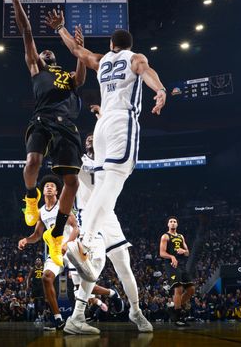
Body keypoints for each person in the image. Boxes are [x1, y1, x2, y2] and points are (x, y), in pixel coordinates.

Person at [45, 12, 166, 334]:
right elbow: (147, 70)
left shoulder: (102, 59)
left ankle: (132, 312)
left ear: (111, 46)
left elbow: (77, 53)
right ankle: (81, 249)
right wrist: (160, 90)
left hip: (105, 139)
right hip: (119, 124)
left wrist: (60, 29)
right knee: (118, 174)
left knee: (120, 264)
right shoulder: (135, 58)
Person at [7, 0, 86, 268]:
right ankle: (30, 196)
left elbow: (80, 77)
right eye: (43, 50)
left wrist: (79, 50)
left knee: (72, 182)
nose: (46, 51)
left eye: (49, 51)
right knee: (32, 164)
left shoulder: (66, 76)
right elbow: (26, 30)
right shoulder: (36, 66)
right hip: (41, 120)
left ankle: (56, 233)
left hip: (66, 124)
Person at [77, 128, 152, 333]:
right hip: (89, 215)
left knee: (124, 267)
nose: (91, 138)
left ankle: (135, 311)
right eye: (88, 137)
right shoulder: (79, 160)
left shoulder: (109, 160)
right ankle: (78, 315)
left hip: (109, 215)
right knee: (95, 263)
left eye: (95, 136)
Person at [18, 175, 80, 331]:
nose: (49, 187)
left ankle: (106, 296)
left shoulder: (63, 205)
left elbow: (76, 228)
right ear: (43, 191)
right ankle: (58, 319)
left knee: (84, 283)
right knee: (46, 277)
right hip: (55, 251)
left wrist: (67, 244)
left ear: (57, 191)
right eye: (47, 186)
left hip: (70, 248)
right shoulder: (40, 212)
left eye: (53, 185)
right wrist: (26, 240)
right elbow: (37, 235)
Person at [159, 217, 195, 327]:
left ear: (177, 224)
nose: (173, 223)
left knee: (191, 289)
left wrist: (184, 251)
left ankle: (174, 308)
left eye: (174, 221)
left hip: (182, 265)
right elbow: (161, 253)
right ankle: (178, 317)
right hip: (171, 265)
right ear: (168, 225)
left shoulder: (181, 236)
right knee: (178, 288)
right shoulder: (165, 236)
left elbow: (188, 253)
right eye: (171, 221)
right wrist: (171, 257)